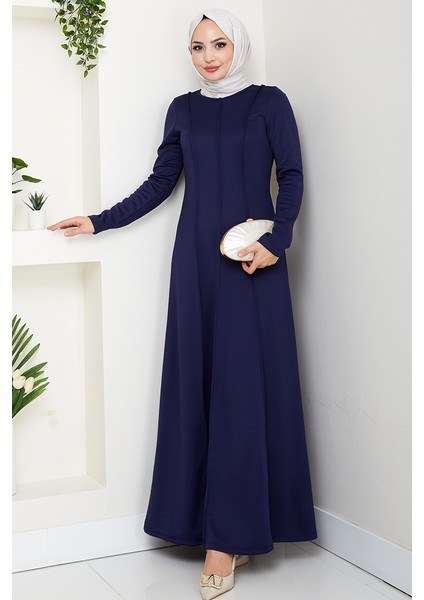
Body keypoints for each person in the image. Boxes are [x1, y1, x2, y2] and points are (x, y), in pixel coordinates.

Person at [48, 8, 317, 599]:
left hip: (251, 261)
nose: (208, 56)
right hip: (195, 265)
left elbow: (293, 177)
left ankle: (230, 538)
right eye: (197, 47)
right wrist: (98, 220)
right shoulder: (182, 108)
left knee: (242, 392)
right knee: (197, 387)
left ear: (238, 46)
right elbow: (160, 182)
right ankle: (203, 525)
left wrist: (277, 242)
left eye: (219, 44)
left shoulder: (270, 102)